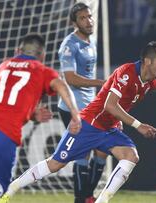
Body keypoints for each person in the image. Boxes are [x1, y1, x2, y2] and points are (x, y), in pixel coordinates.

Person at [0, 41, 156, 203]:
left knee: (131, 156)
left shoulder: (150, 82)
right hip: (88, 125)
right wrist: (138, 125)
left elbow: (125, 102)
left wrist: (118, 120)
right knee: (55, 164)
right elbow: (109, 105)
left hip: (108, 129)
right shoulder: (127, 72)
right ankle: (11, 189)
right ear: (147, 61)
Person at [0, 33, 81, 200]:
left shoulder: (3, 66)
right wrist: (75, 115)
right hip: (3, 132)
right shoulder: (42, 70)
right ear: (42, 55)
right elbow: (62, 86)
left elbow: (4, 98)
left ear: (18, 50)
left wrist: (31, 114)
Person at [57, 3, 107, 203]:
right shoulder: (69, 45)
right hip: (72, 108)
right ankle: (82, 198)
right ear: (74, 23)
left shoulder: (92, 40)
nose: (89, 21)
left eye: (89, 16)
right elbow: (70, 78)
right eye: (83, 18)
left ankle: (87, 196)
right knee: (82, 154)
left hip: (90, 106)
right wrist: (100, 82)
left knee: (102, 151)